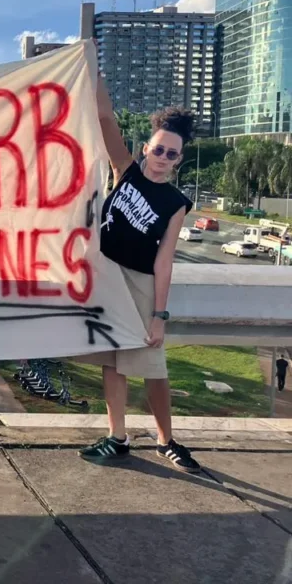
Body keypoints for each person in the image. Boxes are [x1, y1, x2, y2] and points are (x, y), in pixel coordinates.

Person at [78, 74, 200, 474]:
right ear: (146, 147)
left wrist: (158, 315)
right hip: (107, 278)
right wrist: (93, 71)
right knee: (112, 363)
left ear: (179, 160)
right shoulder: (125, 169)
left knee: (152, 369)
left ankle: (167, 440)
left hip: (142, 285)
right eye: (159, 149)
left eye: (172, 154)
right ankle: (118, 437)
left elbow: (165, 259)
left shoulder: (176, 202)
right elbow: (104, 118)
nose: (163, 158)